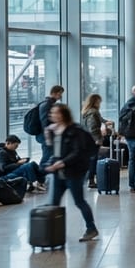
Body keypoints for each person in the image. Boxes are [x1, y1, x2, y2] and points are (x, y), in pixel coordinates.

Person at [43, 104, 100, 240]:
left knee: (79, 201)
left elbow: (78, 152)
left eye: (55, 113)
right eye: (52, 113)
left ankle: (91, 228)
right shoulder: (53, 130)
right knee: (54, 203)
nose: (52, 115)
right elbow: (54, 151)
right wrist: (48, 137)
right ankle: (51, 233)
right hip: (58, 173)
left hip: (73, 172)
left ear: (63, 115)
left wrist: (62, 163)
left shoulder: (75, 131)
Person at [35, 85, 65, 165]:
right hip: (46, 136)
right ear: (54, 93)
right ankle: (42, 175)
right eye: (60, 93)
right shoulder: (47, 105)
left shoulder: (49, 104)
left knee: (50, 156)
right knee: (47, 157)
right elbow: (46, 123)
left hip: (48, 135)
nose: (61, 96)